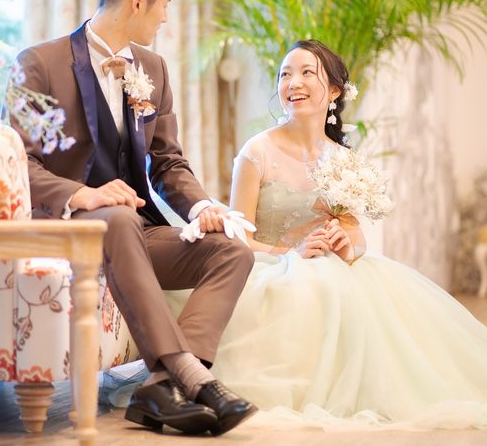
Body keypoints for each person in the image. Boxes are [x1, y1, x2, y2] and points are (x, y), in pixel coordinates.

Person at [169, 39, 487, 430]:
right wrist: (290, 252)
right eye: (285, 74)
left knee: (357, 295)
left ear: (334, 91)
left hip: (330, 266)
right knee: (315, 289)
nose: (293, 83)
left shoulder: (343, 159)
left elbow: (357, 238)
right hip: (267, 267)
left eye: (307, 72)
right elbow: (238, 239)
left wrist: (345, 244)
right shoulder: (257, 152)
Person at [9, 0, 257, 436]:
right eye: (164, 5)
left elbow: (167, 161)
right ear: (139, 1)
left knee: (232, 250)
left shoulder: (153, 68)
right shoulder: (39, 63)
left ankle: (160, 386)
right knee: (118, 217)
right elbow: (18, 162)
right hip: (68, 230)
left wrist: (203, 207)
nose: (165, 18)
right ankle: (192, 378)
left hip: (132, 230)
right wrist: (83, 195)